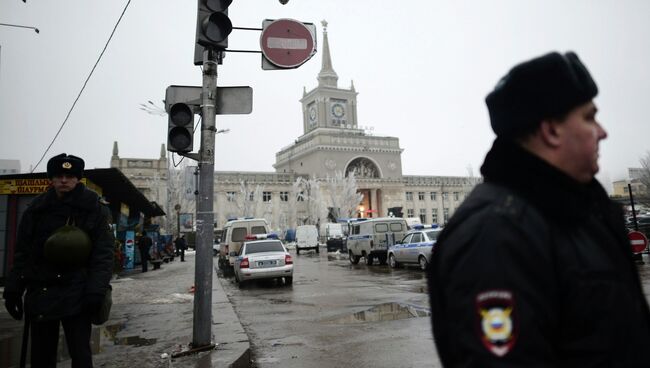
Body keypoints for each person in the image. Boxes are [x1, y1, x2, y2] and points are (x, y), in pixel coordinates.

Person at [428, 52, 650, 366]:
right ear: (551, 130)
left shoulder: (577, 211)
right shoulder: (496, 236)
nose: (602, 131)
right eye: (589, 117)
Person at [3, 153, 114, 367]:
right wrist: (13, 288)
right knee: (41, 356)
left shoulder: (94, 208)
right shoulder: (37, 209)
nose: (64, 180)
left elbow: (103, 254)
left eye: (70, 176)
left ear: (78, 178)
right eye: (59, 175)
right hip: (42, 290)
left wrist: (95, 291)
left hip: (78, 291)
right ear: (51, 178)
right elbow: (23, 252)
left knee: (80, 353)